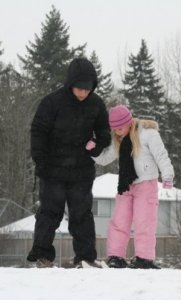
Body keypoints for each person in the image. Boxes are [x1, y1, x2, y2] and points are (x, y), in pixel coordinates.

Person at [27, 57, 111, 268]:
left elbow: (104, 133)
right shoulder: (52, 102)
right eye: (79, 88)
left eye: (88, 89)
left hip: (81, 171)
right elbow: (38, 132)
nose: (83, 93)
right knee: (49, 212)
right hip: (53, 169)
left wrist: (98, 145)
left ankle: (85, 257)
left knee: (82, 215)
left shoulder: (96, 104)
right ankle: (42, 256)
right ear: (71, 84)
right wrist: (41, 161)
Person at [90, 104, 174, 269]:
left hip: (146, 184)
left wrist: (167, 174)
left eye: (120, 128)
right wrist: (94, 151)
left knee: (144, 221)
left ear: (129, 122)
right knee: (119, 221)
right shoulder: (119, 140)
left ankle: (144, 258)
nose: (118, 132)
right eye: (115, 129)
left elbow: (161, 155)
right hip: (126, 186)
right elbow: (106, 159)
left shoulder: (148, 134)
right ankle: (116, 256)